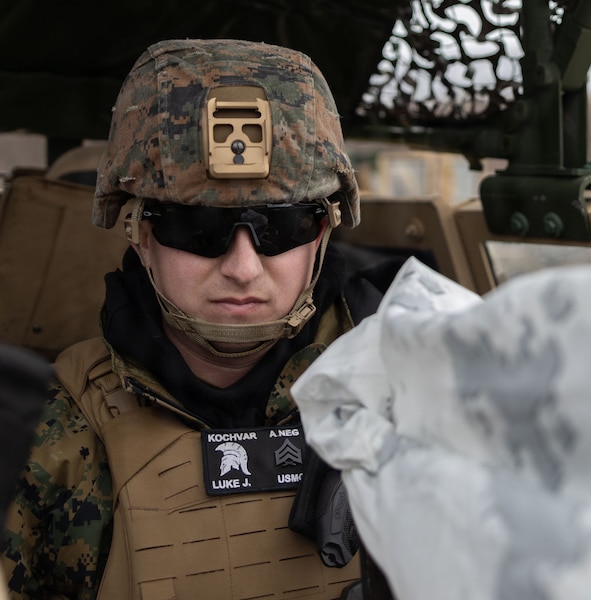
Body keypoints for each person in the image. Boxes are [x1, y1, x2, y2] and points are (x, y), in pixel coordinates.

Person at [1, 38, 381, 600]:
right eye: (200, 228)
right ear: (141, 234)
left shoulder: (415, 390)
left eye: (282, 227)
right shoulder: (46, 432)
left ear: (322, 231)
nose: (243, 268)